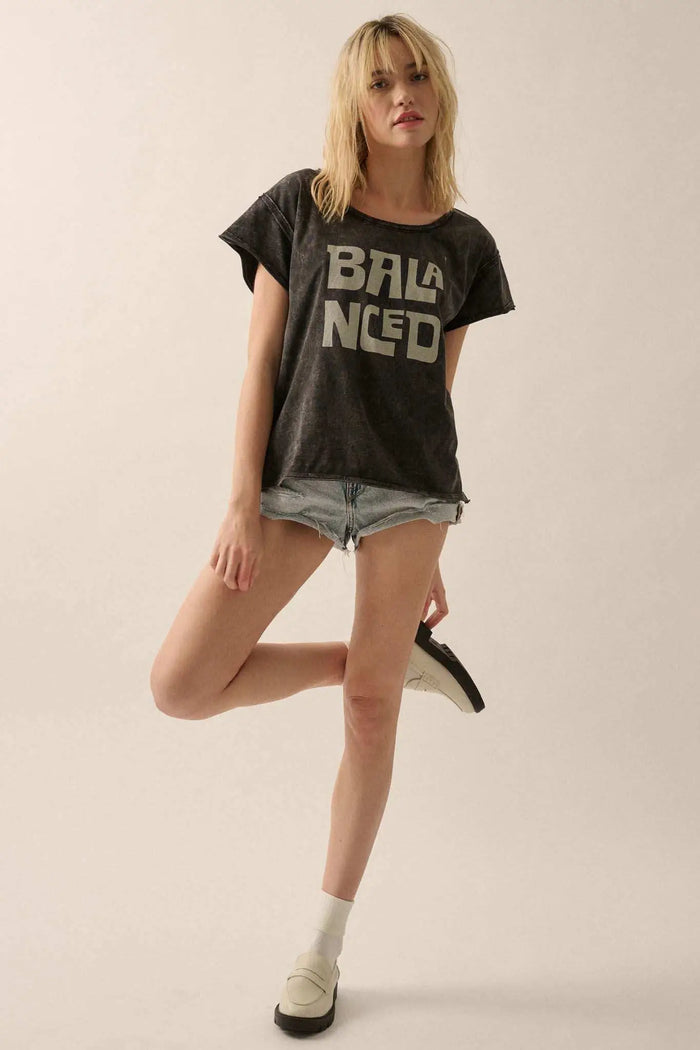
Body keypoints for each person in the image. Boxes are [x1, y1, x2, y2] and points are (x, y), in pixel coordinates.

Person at [149, 13, 515, 1036]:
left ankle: (320, 946)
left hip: (409, 494)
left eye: (417, 78)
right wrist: (241, 499)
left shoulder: (464, 245)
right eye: (380, 82)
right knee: (182, 685)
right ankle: (385, 662)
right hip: (296, 483)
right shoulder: (300, 208)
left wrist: (435, 546)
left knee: (368, 715)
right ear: (354, 100)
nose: (402, 96)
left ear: (438, 93)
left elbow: (435, 396)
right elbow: (259, 365)